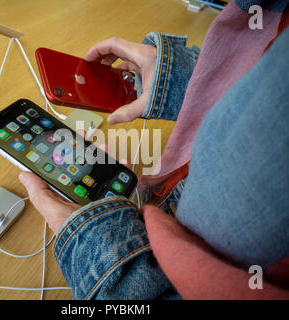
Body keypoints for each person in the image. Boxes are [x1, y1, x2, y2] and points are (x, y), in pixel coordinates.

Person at [19, 0, 289, 299]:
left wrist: (95, 241)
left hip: (149, 251)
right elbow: (257, 86)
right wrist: (176, 78)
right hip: (163, 201)